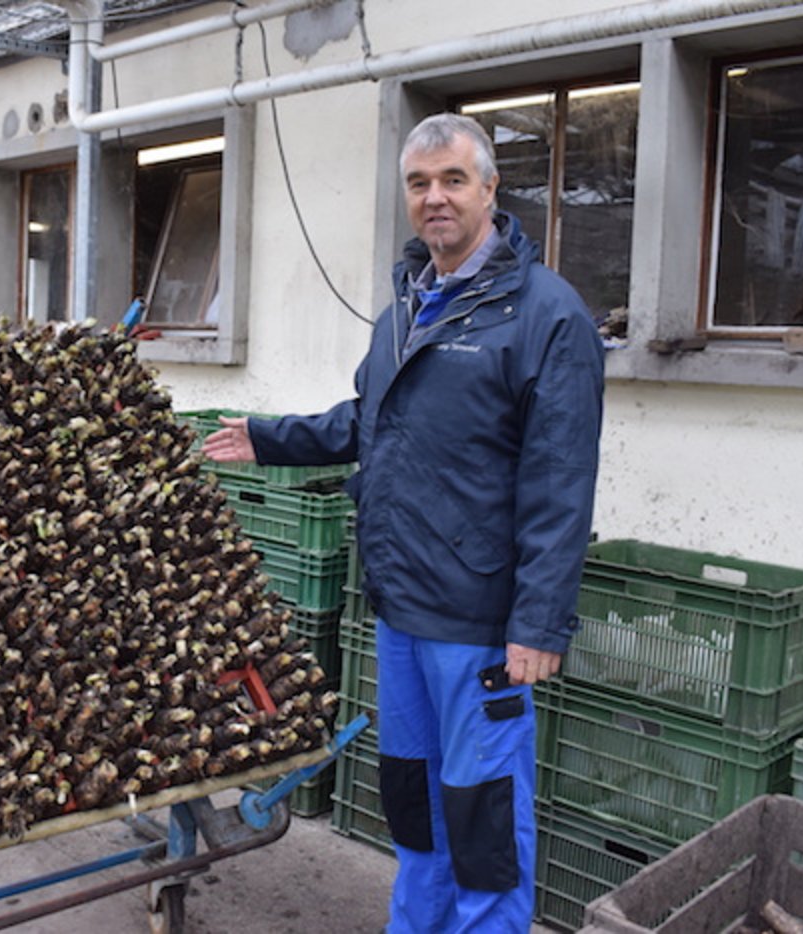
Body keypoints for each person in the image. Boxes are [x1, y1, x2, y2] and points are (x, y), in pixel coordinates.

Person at [202, 113, 604, 933]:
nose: (436, 199)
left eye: (454, 180)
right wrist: (270, 437)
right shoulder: (406, 307)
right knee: (416, 807)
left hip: (478, 620)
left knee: (483, 819)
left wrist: (539, 622)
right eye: (420, 184)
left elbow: (561, 480)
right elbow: (371, 420)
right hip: (400, 606)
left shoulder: (545, 315)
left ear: (491, 190)